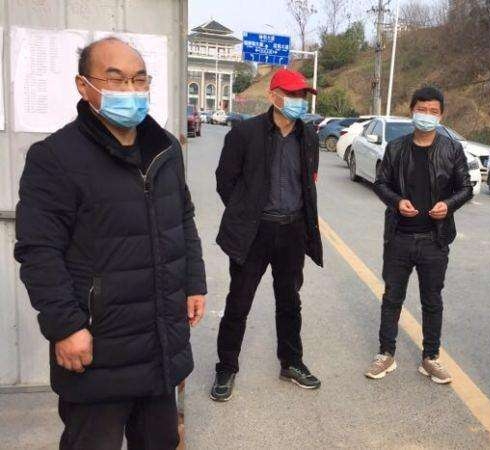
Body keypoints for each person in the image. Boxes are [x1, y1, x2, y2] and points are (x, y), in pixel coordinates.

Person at [14, 37, 206, 450]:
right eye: (115, 79)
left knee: (160, 441)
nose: (130, 90)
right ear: (84, 86)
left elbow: (183, 219)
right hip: (98, 349)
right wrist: (66, 327)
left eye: (139, 79)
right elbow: (38, 251)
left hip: (159, 342)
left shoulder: (166, 149)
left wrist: (194, 282)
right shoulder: (55, 157)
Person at [211, 68, 323, 400]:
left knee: (290, 301)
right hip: (254, 232)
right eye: (292, 95)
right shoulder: (245, 133)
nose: (299, 101)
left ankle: (291, 362)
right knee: (238, 301)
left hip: (292, 231)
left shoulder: (309, 136)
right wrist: (246, 213)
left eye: (302, 95)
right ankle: (226, 367)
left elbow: (309, 181)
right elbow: (225, 180)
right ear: (273, 96)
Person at [365, 86, 473, 384]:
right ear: (411, 111)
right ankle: (386, 354)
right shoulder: (396, 148)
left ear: (441, 115)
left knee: (432, 301)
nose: (427, 115)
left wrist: (448, 205)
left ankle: (430, 358)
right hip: (399, 237)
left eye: (433, 111)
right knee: (392, 298)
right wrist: (397, 202)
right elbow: (381, 184)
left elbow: (466, 187)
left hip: (434, 240)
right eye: (421, 110)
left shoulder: (452, 149)